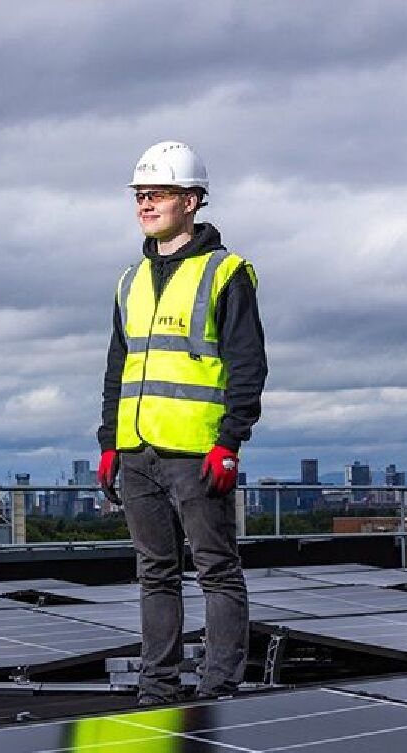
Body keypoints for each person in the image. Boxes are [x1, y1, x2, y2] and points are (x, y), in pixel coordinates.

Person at [97, 140, 268, 705]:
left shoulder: (226, 273)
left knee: (216, 570)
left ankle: (218, 690)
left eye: (159, 194)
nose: (145, 204)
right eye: (140, 195)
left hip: (198, 454)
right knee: (155, 574)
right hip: (137, 452)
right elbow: (118, 367)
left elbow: (248, 363)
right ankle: (157, 689)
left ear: (191, 200)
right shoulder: (130, 281)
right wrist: (108, 443)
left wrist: (229, 441)